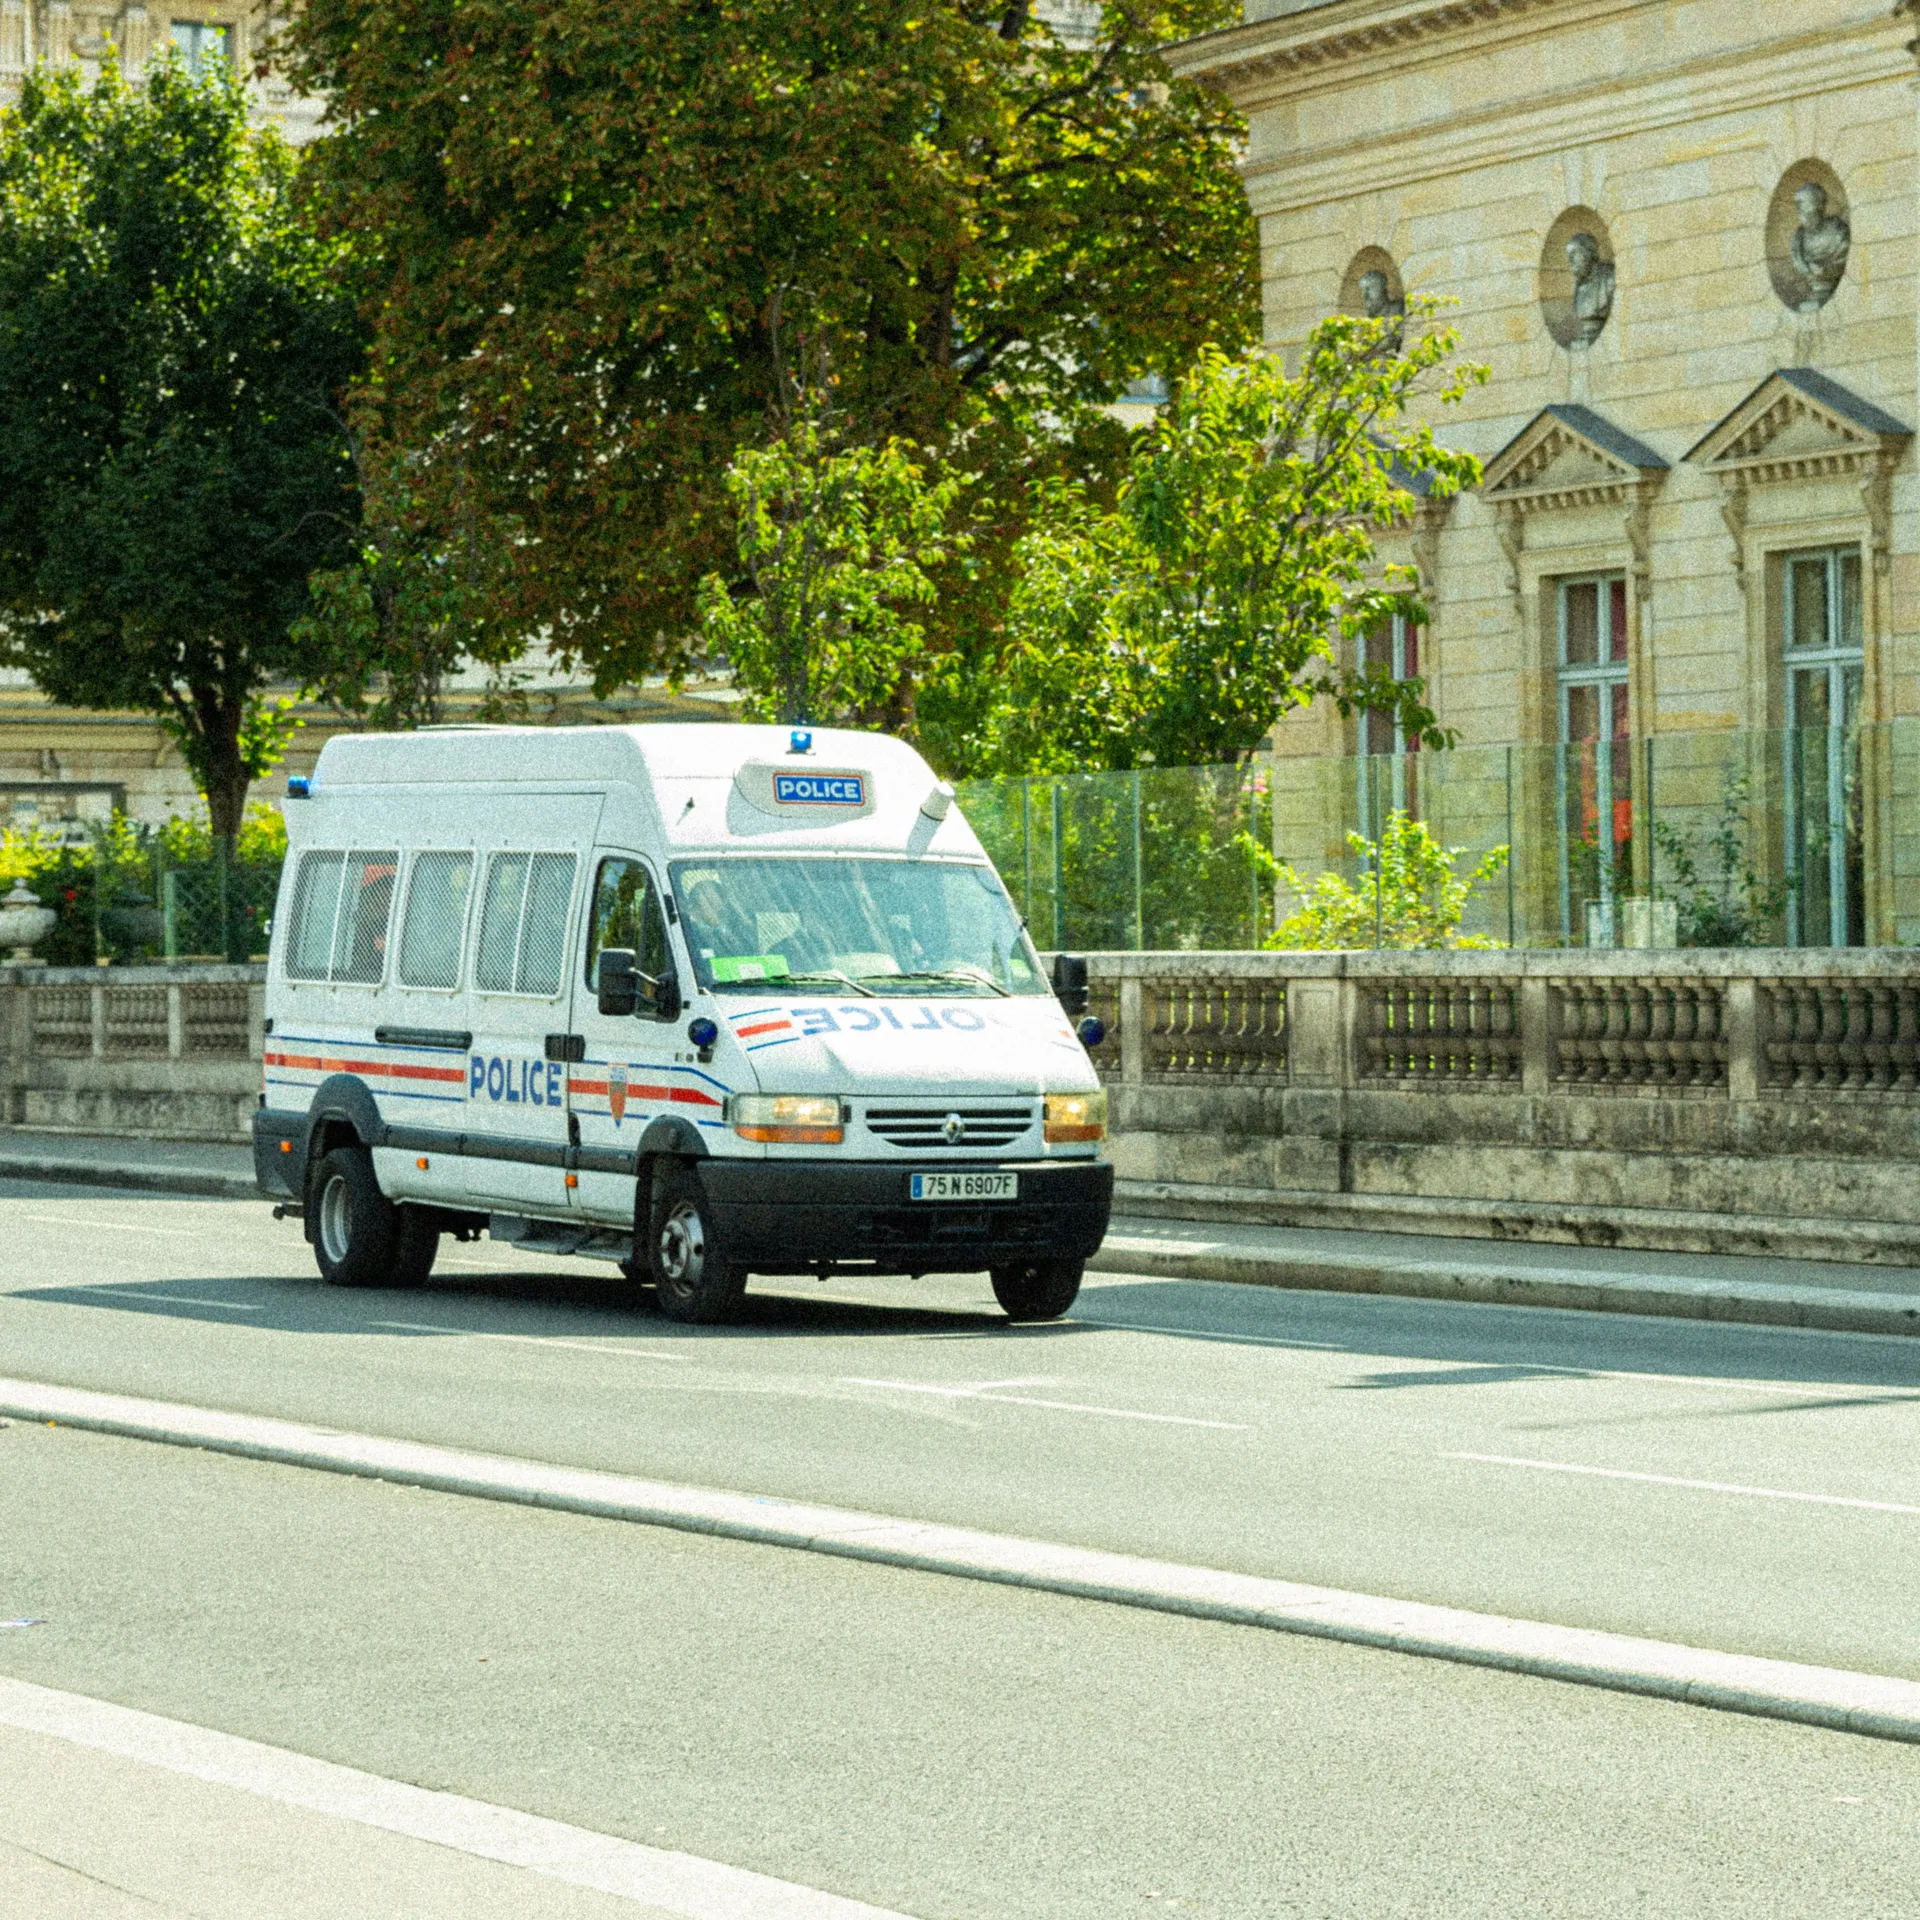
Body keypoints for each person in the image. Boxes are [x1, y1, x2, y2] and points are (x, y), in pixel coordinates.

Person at [1790, 182, 1850, 311]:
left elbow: (1841, 257)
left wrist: (1825, 270)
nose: (1799, 208)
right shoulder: (1797, 240)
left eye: (1803, 203)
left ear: (1818, 205)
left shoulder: (1838, 233)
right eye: (1798, 204)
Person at [1566, 231, 1615, 345]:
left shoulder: (1609, 278)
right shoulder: (1579, 285)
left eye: (1574, 253)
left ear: (1589, 253)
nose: (1570, 260)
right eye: (1568, 256)